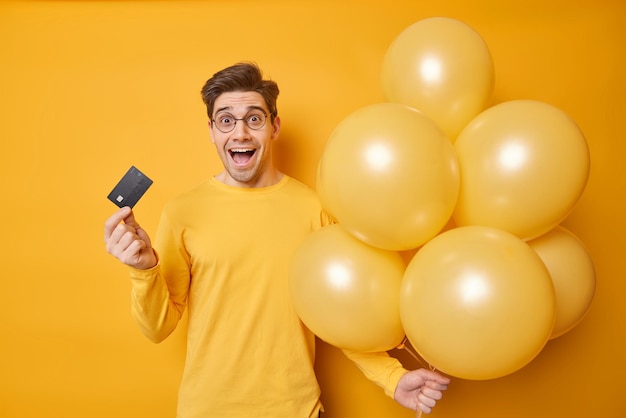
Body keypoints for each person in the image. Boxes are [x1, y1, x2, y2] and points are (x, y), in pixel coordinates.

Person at [104, 62, 450, 418]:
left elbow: (341, 312)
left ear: (274, 126)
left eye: (254, 118)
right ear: (211, 131)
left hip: (295, 410)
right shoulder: (182, 213)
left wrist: (392, 377)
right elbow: (158, 328)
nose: (240, 133)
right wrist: (144, 269)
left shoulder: (314, 209)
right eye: (226, 120)